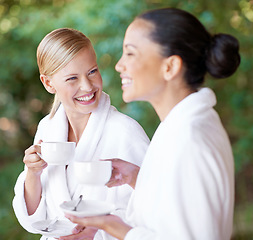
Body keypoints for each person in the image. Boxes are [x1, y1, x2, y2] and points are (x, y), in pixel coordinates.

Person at [65, 7, 241, 240]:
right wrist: (137, 177)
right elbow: (175, 210)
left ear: (170, 67)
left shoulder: (190, 139)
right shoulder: (180, 126)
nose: (119, 65)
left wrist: (111, 225)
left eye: (130, 53)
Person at [12, 28, 150, 240]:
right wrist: (33, 173)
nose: (87, 86)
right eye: (72, 78)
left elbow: (152, 213)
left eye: (92, 71)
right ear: (48, 83)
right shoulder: (47, 130)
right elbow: (34, 219)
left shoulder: (125, 132)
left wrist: (96, 234)